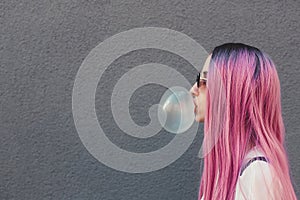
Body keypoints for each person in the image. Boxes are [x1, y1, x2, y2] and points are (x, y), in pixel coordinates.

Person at [190, 43, 297, 199]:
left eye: (204, 81)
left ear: (231, 93)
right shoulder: (234, 172)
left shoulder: (257, 174)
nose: (194, 89)